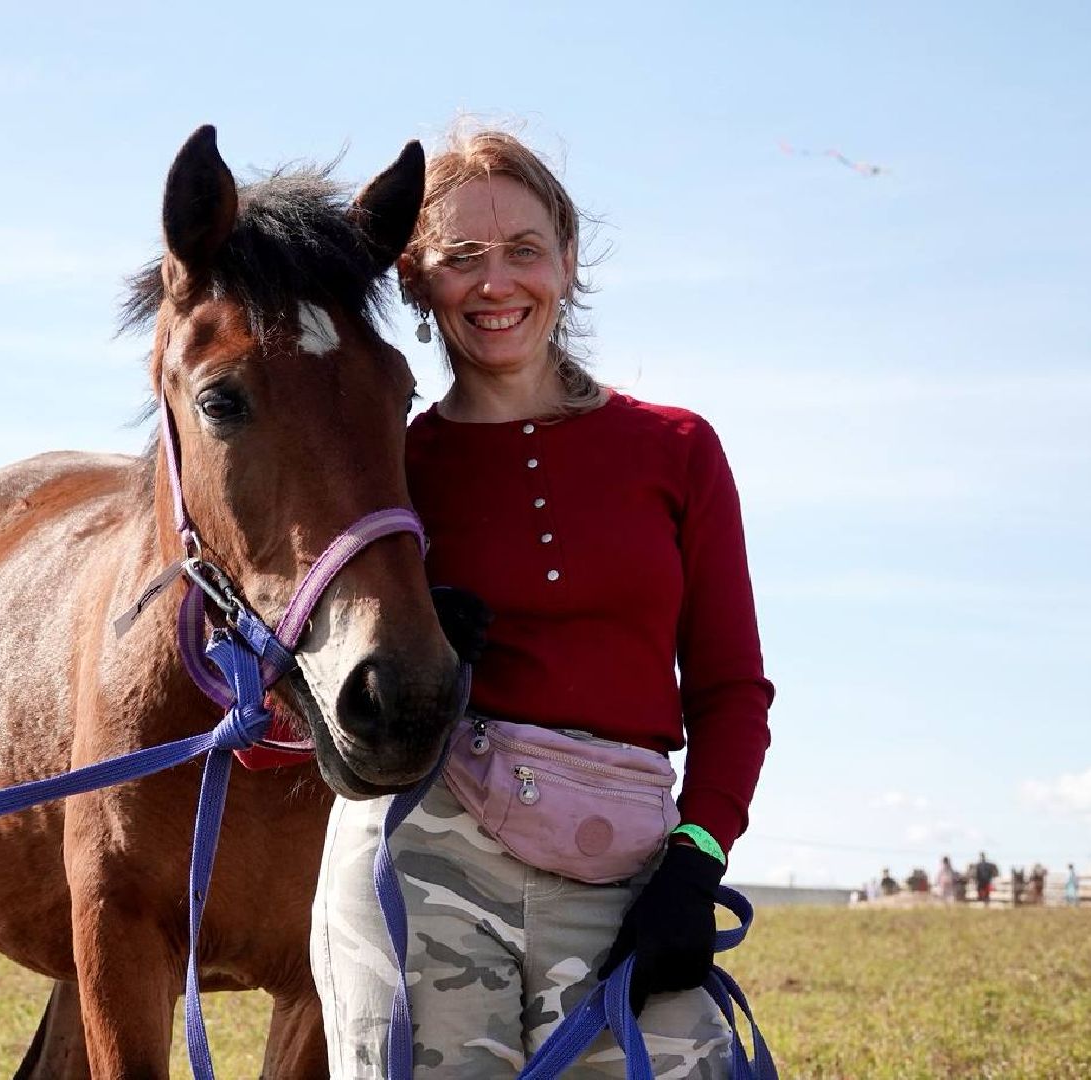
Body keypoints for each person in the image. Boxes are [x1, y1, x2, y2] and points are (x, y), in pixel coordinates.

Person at [311, 126, 774, 1078]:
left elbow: (731, 690)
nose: (496, 283)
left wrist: (696, 858)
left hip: (632, 863)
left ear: (568, 259)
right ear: (414, 280)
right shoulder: (388, 467)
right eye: (461, 258)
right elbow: (310, 656)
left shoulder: (678, 449)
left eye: (524, 249)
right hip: (425, 852)